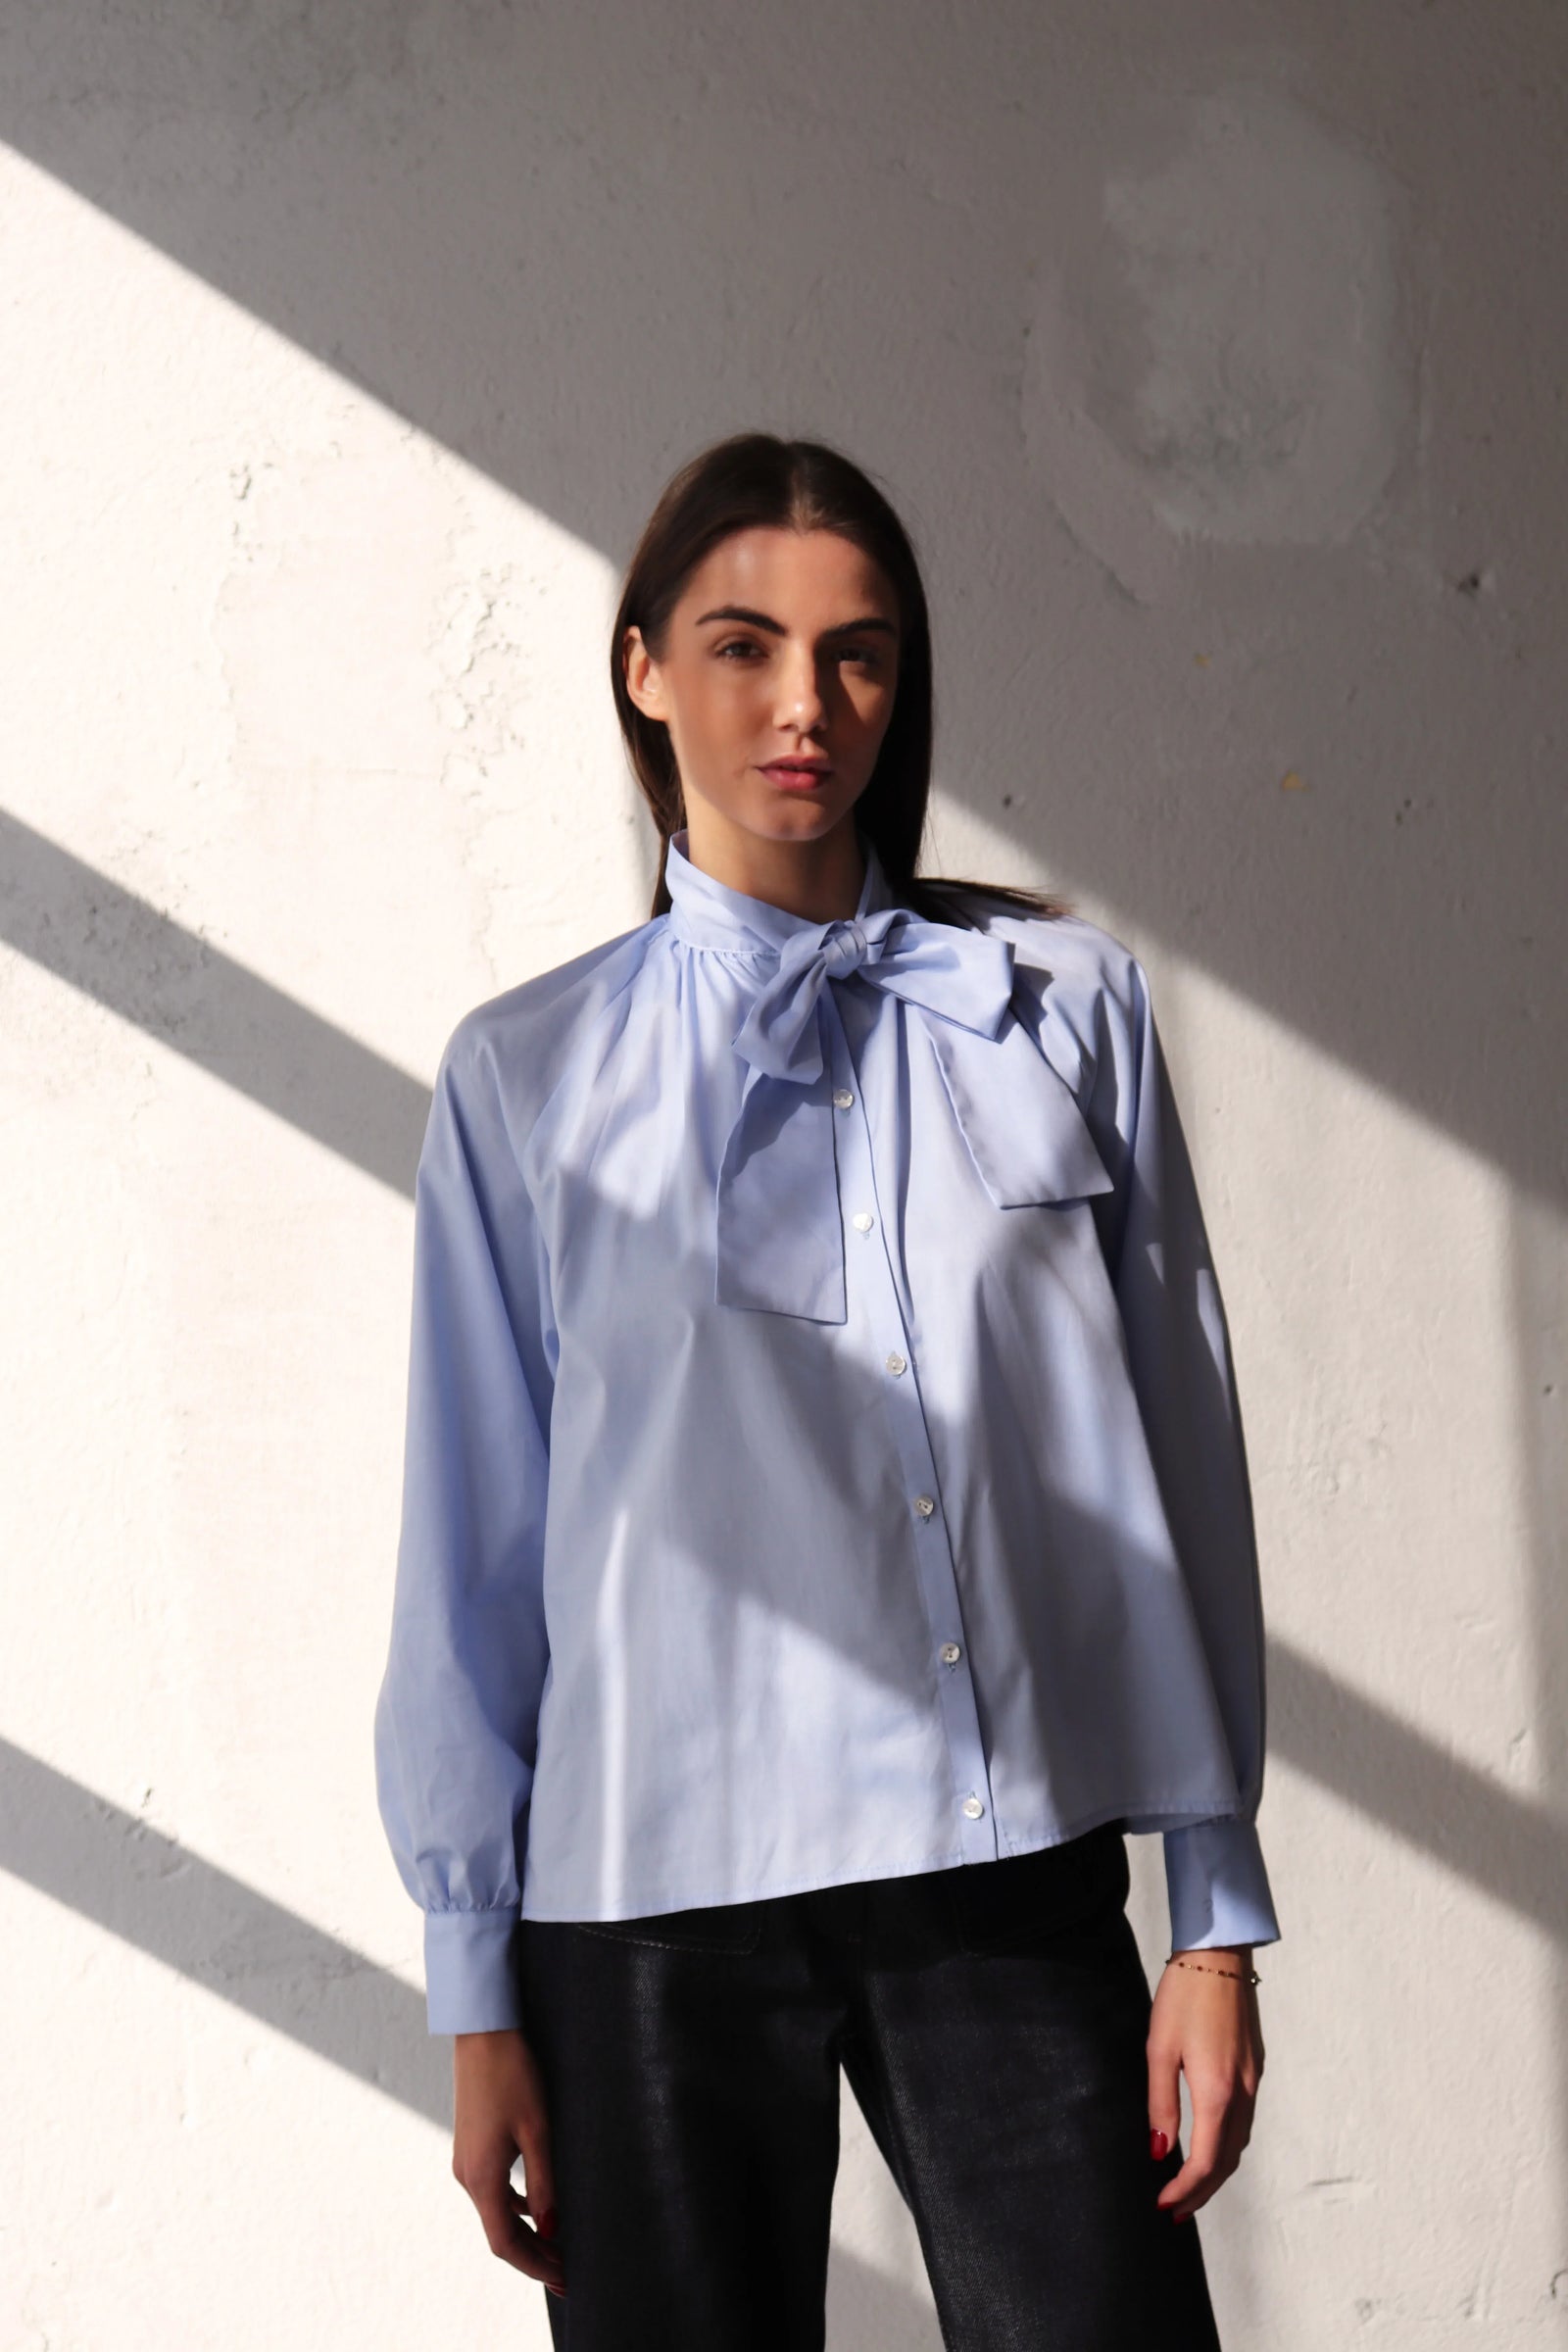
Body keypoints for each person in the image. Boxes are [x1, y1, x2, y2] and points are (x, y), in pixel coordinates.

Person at [374, 430, 1280, 2350]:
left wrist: (1213, 1911)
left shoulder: (1063, 1012)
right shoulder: (526, 1077)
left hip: (1003, 1869)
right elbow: (474, 1559)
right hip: (646, 1910)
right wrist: (475, 1988)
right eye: (742, 646)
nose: (806, 706)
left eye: (857, 653)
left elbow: (1179, 1474)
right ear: (641, 670)